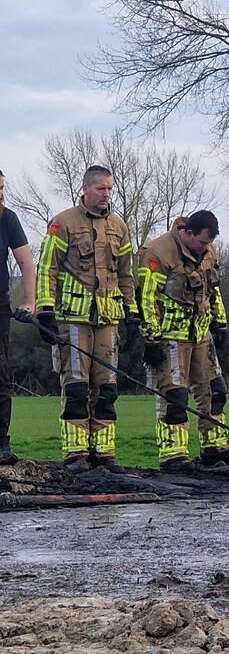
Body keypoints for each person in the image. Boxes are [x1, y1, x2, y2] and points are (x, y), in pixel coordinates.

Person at [35, 165, 137, 473]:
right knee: (77, 388)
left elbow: (125, 273)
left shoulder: (120, 227)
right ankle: (76, 454)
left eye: (110, 189)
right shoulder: (63, 223)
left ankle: (104, 453)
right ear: (85, 189)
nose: (107, 195)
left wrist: (131, 313)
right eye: (101, 189)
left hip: (108, 320)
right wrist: (45, 310)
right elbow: (46, 268)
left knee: (106, 389)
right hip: (72, 319)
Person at [136, 211, 229, 473]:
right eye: (202, 243)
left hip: (201, 334)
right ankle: (174, 455)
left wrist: (221, 324)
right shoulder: (157, 252)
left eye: (209, 244)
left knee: (215, 390)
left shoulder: (209, 252)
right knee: (175, 396)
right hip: (170, 337)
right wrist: (151, 338)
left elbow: (213, 290)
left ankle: (215, 446)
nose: (206, 248)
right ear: (187, 233)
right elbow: (147, 298)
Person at [0, 169, 37, 465]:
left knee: (1, 375)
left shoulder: (7, 218)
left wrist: (29, 301)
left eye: (2, 188)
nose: (1, 194)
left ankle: (2, 444)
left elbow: (25, 261)